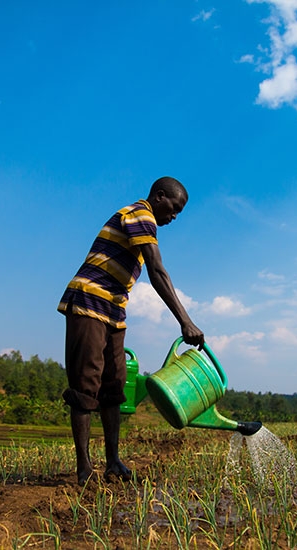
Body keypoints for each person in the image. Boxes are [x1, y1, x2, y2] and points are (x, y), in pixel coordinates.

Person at [57, 176, 204, 484]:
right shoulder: (140, 214)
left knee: (114, 387)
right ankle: (84, 470)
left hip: (113, 310)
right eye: (174, 209)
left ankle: (113, 462)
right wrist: (185, 321)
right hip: (89, 300)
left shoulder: (145, 224)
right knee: (86, 386)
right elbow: (157, 270)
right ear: (159, 197)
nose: (174, 217)